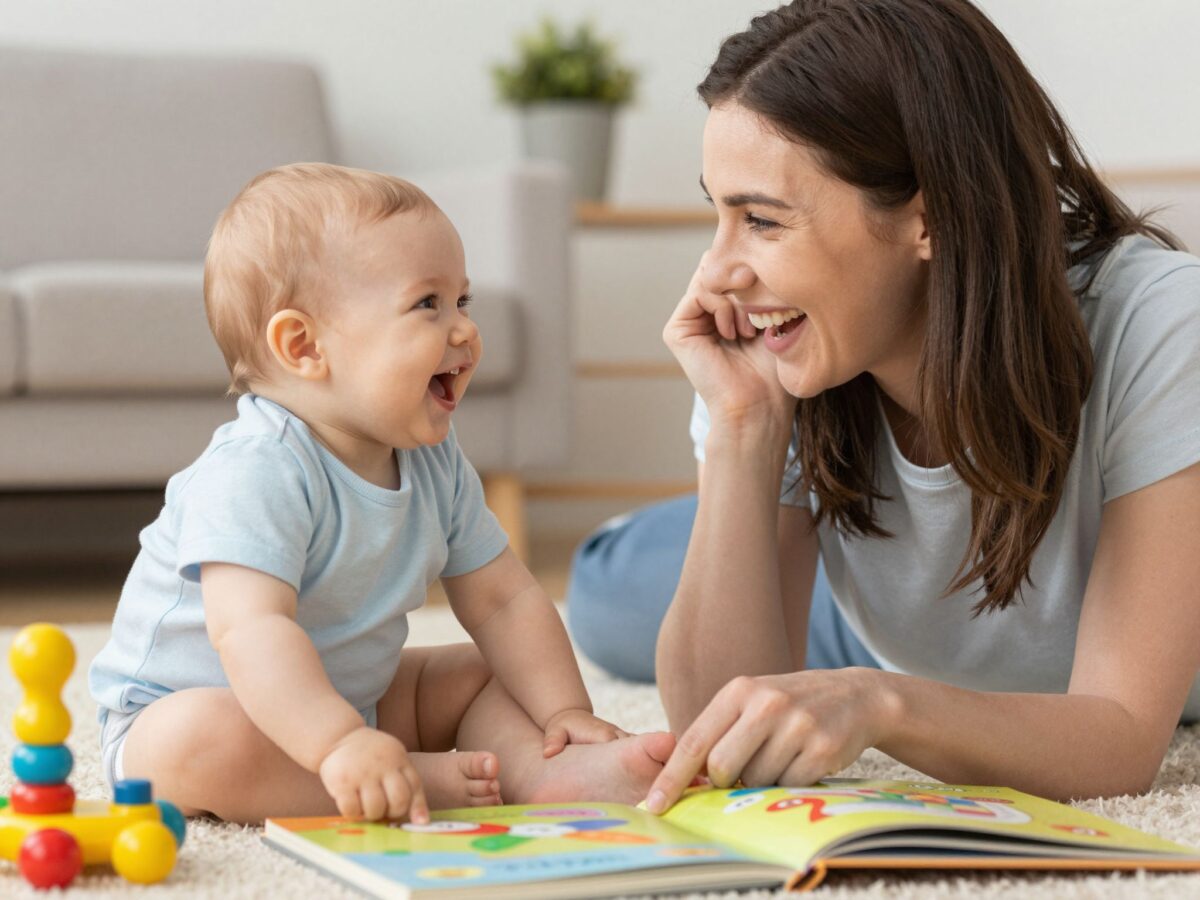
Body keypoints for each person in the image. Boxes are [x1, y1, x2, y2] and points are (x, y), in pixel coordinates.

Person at [565, 0, 1200, 813]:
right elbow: (722, 725)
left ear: (929, 217)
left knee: (683, 613)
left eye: (760, 220)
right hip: (892, 624)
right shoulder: (794, 347)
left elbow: (1118, 739)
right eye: (716, 213)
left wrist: (879, 702)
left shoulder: (1158, 322)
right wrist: (740, 431)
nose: (717, 272)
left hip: (1091, 624)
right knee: (603, 594)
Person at [88, 163, 674, 825]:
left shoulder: (433, 462)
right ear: (304, 345)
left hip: (357, 699)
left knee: (484, 673)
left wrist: (565, 713)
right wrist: (338, 742)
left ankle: (544, 770)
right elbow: (251, 630)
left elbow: (505, 600)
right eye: (428, 304)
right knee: (195, 740)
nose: (463, 330)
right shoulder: (257, 469)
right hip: (202, 710)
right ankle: (410, 782)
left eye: (464, 301)